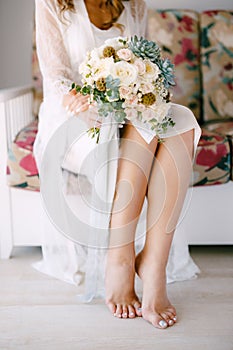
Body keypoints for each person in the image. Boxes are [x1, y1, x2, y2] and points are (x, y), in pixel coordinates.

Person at [34, 0, 201, 329]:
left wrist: (139, 90)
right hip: (73, 117)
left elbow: (145, 62)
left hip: (126, 115)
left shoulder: (135, 5)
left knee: (181, 123)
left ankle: (153, 264)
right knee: (144, 128)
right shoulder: (51, 3)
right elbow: (55, 78)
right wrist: (88, 96)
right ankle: (121, 258)